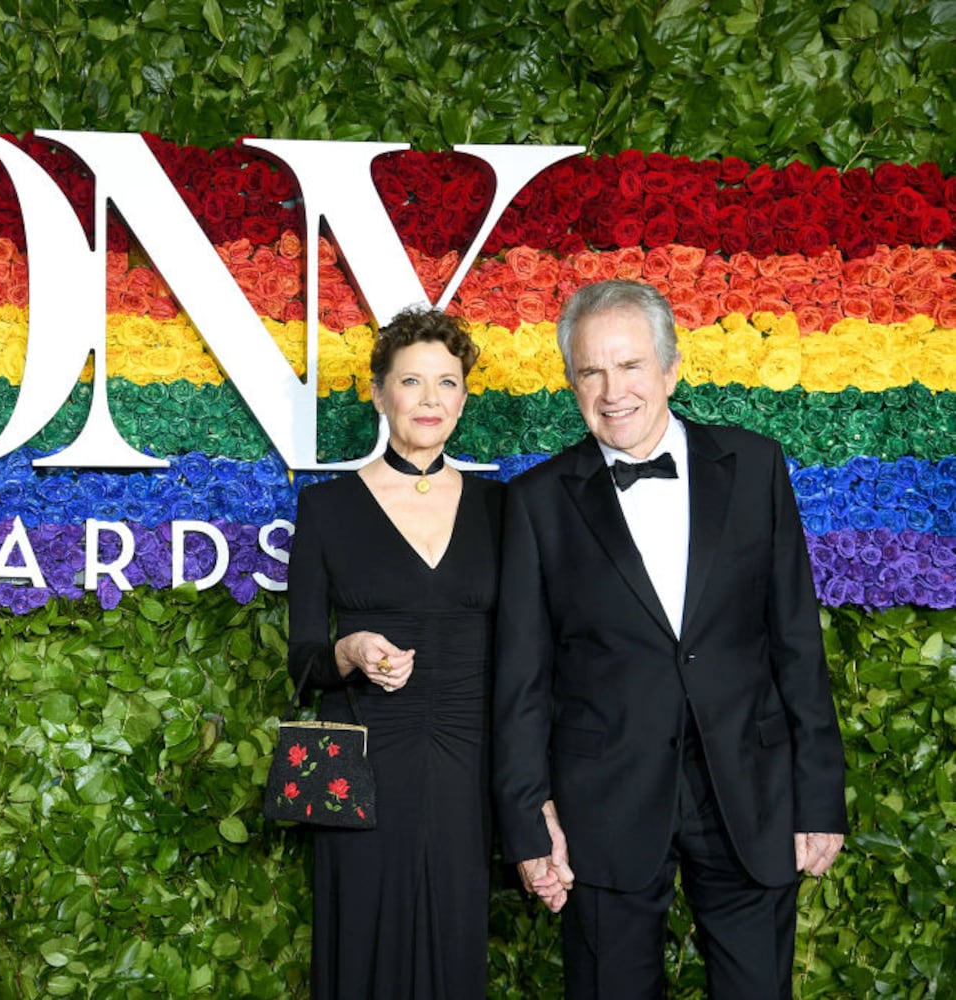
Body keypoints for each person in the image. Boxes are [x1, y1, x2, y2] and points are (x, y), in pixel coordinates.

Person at [492, 279, 847, 999]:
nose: (611, 389)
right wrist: (529, 820)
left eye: (628, 366)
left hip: (747, 791)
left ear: (670, 369)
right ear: (570, 383)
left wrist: (817, 797)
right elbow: (521, 680)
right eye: (590, 371)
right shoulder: (535, 503)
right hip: (603, 803)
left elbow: (794, 642)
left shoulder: (753, 467)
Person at [287, 306, 500, 998]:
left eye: (446, 382)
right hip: (365, 764)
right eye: (411, 381)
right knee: (363, 943)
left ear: (464, 396)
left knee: (454, 940)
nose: (430, 400)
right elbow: (303, 661)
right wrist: (348, 649)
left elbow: (528, 652)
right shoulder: (326, 508)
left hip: (471, 764)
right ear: (379, 393)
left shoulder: (504, 509)